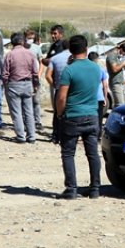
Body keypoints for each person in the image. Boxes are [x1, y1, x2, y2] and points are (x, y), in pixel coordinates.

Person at [54, 35, 103, 200]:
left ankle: (71, 189)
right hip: (92, 114)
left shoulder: (69, 70)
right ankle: (95, 188)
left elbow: (61, 97)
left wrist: (59, 113)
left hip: (73, 115)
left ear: (70, 50)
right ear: (86, 49)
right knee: (92, 153)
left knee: (68, 153)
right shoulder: (96, 68)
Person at [2, 33, 39, 143]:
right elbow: (35, 72)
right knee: (29, 111)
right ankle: (31, 136)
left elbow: (5, 74)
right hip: (27, 84)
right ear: (23, 41)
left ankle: (21, 136)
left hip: (13, 84)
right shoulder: (30, 54)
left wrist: (5, 85)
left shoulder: (9, 55)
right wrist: (35, 85)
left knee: (16, 112)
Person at [45, 38, 72, 141]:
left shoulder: (55, 58)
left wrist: (54, 85)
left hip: (59, 89)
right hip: (72, 90)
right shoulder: (74, 58)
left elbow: (48, 76)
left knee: (58, 113)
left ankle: (56, 135)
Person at [25, 29, 46, 137]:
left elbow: (41, 62)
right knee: (26, 101)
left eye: (32, 37)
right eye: (29, 37)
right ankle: (27, 122)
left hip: (35, 77)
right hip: (25, 78)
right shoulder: (22, 47)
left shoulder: (37, 48)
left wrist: (39, 74)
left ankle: (37, 121)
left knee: (36, 101)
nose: (31, 39)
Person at [87, 51, 112, 131]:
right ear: (97, 59)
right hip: (99, 98)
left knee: (88, 118)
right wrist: (105, 98)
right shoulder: (101, 70)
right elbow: (105, 86)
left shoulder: (85, 70)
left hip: (88, 98)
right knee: (99, 118)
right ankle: (98, 134)